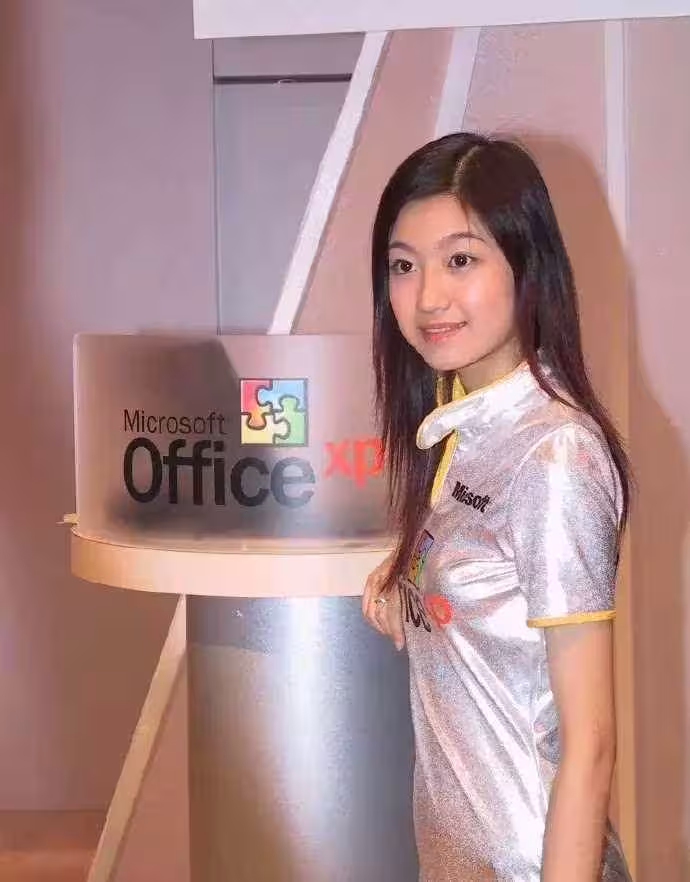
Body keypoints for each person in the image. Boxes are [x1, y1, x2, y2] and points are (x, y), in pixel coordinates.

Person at [362, 132, 633, 882]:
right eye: (403, 266)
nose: (428, 297)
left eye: (460, 260)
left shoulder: (554, 454)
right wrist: (401, 578)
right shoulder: (460, 425)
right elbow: (480, 573)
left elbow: (591, 743)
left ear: (526, 265)